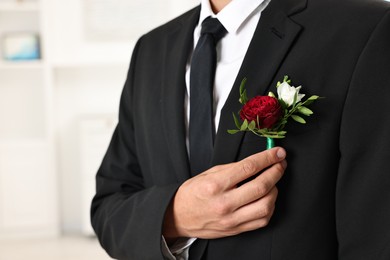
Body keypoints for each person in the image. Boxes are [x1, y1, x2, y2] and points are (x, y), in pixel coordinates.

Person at [91, 0, 390, 259]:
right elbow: (109, 208)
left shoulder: (364, 28)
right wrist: (174, 216)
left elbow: (375, 232)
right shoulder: (151, 48)